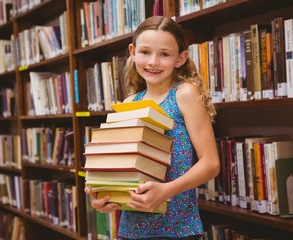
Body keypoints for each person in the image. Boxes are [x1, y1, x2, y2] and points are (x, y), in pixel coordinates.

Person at [85, 16, 220, 239]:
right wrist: (103, 196)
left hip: (178, 230)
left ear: (180, 58)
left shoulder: (184, 94)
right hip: (131, 230)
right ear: (132, 51)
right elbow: (122, 167)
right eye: (145, 52)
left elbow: (211, 164)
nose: (153, 61)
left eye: (164, 54)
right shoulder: (129, 104)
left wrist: (166, 191)